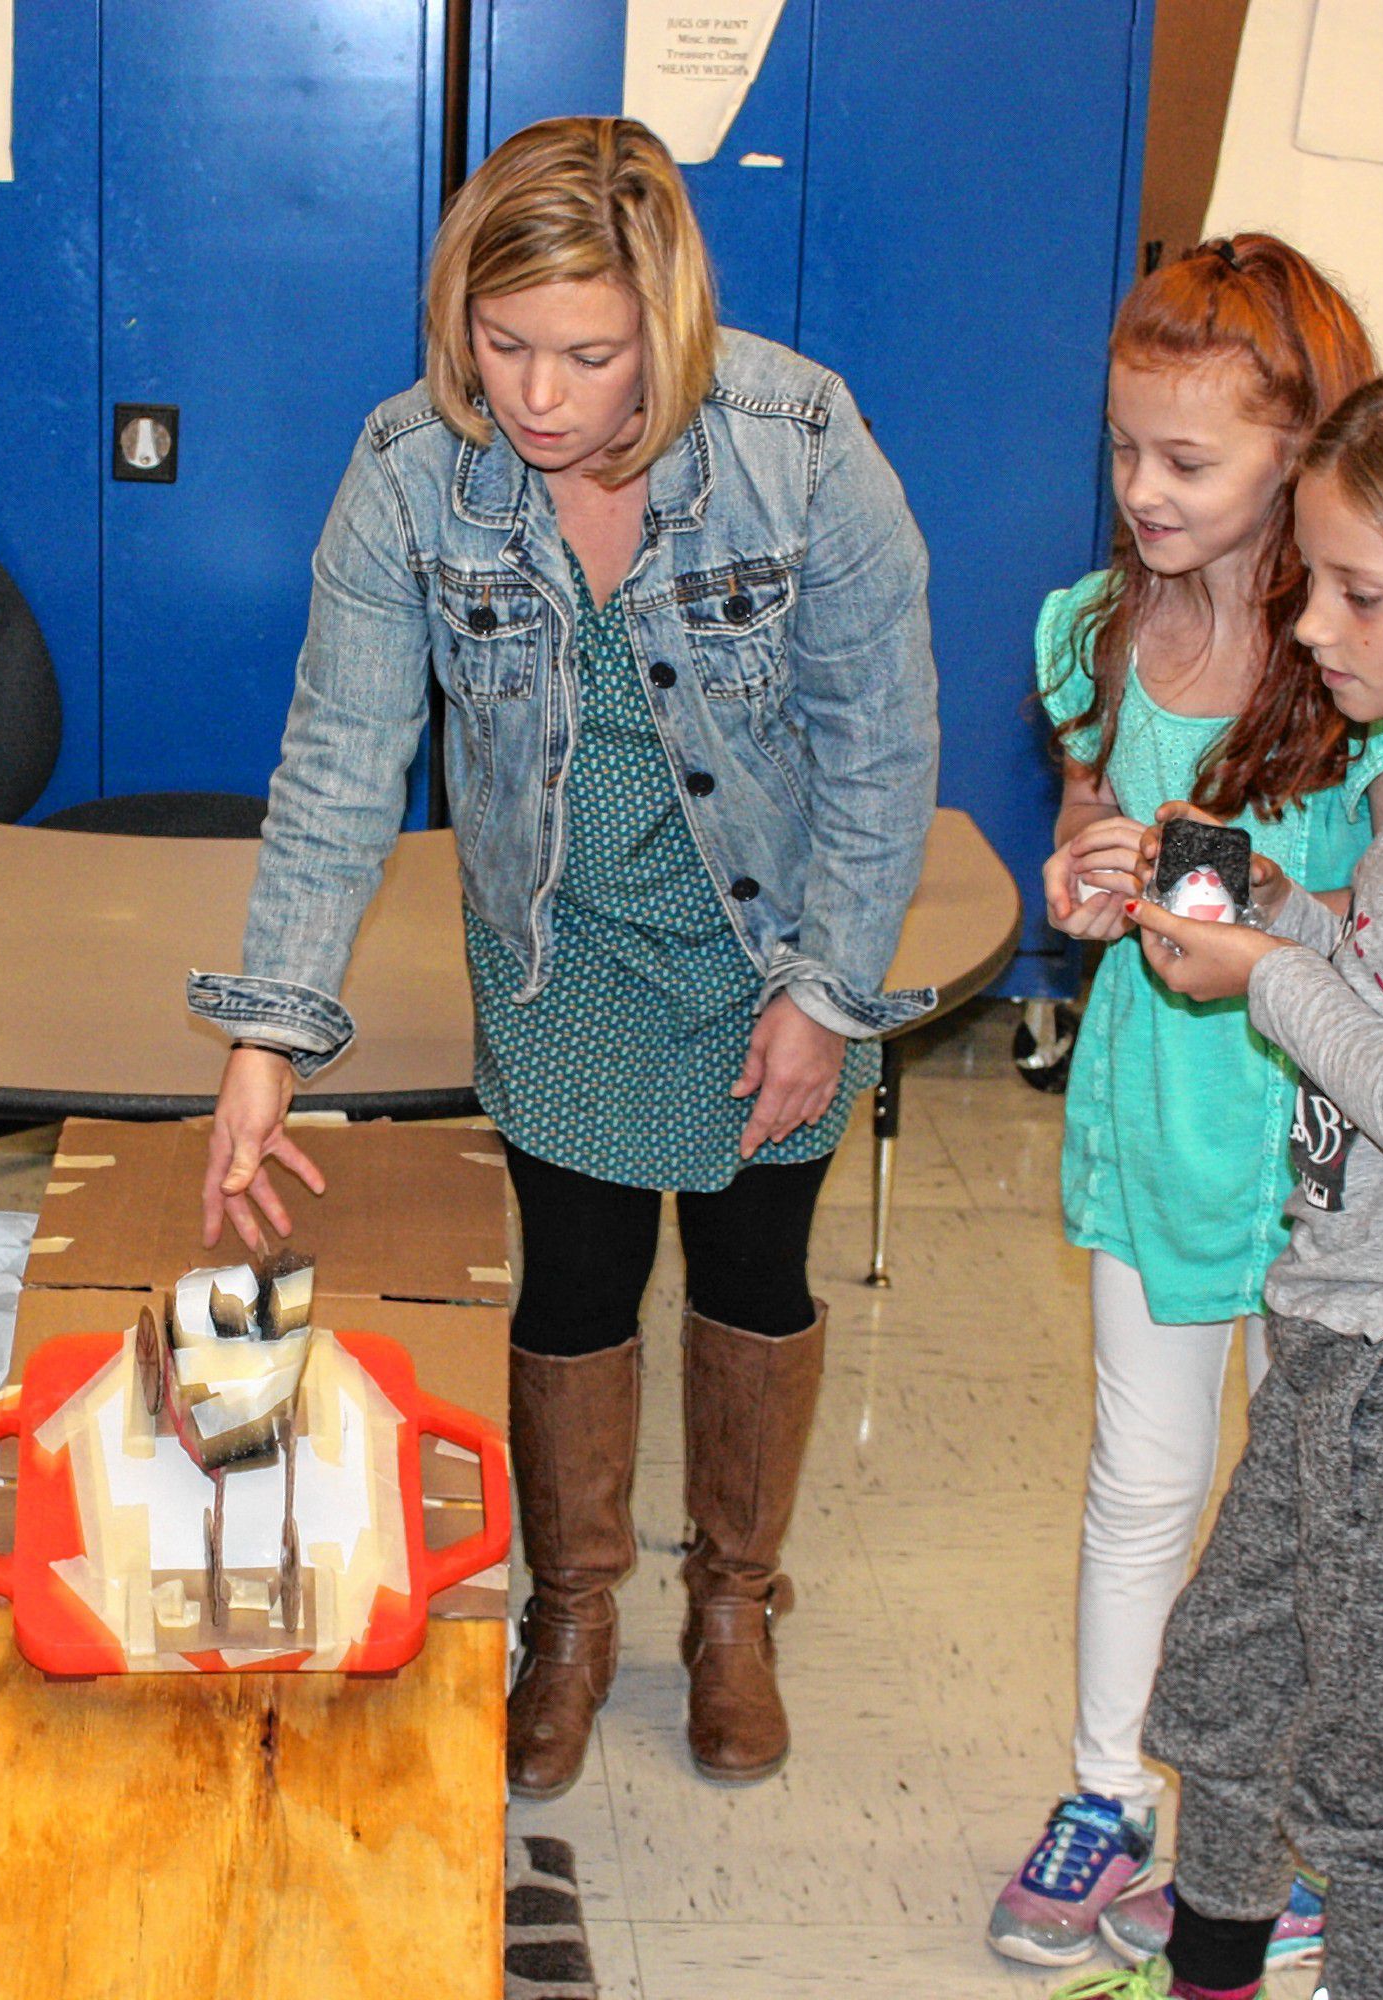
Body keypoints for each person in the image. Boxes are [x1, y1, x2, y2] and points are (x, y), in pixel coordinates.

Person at [191, 115, 940, 1798]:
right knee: (578, 1283)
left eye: (587, 355)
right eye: (501, 341)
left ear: (664, 327)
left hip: (773, 942)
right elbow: (338, 759)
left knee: (754, 1274)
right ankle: (576, 1616)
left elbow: (883, 748)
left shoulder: (801, 440)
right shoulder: (405, 470)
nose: (535, 394)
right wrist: (269, 1039)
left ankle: (734, 1608)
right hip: (562, 949)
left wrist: (827, 993)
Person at [1057, 357, 1383, 2000]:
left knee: (1367, 1757)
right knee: (1230, 1666)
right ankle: (1207, 1969)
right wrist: (1284, 902)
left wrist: (1267, 968)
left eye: (1357, 592)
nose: (1316, 625)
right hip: (1339, 1314)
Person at [992, 235, 1383, 1969]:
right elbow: (1089, 837)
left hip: (1332, 1155)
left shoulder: (1378, 673)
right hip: (1162, 1120)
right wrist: (1084, 881)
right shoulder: (1093, 629)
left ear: (1301, 459)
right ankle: (1109, 1791)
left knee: (1314, 1513)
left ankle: (1282, 1824)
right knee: (1143, 1483)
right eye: (1124, 452)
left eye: (1189, 461)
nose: (1141, 492)